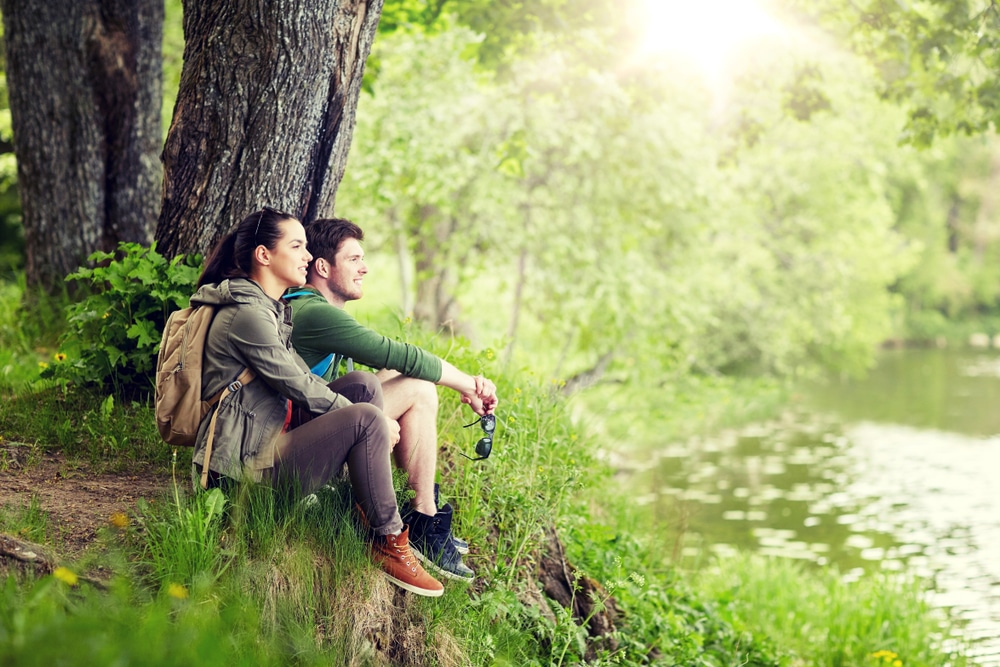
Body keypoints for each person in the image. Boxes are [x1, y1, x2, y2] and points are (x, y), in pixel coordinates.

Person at [190, 206, 443, 597]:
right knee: (364, 418)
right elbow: (298, 384)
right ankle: (390, 539)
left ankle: (364, 504)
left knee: (362, 386)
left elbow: (306, 379)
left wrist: (363, 410)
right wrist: (374, 422)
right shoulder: (248, 315)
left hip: (264, 443)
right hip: (243, 476)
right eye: (297, 246)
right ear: (264, 255)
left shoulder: (269, 309)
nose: (308, 257)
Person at [286, 217, 499, 582]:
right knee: (418, 386)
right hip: (295, 448)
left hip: (305, 427)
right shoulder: (314, 313)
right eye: (354, 259)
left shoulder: (308, 307)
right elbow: (397, 353)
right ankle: (423, 519)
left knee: (401, 381)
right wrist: (468, 385)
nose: (364, 267)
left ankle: (420, 514)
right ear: (323, 267)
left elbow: (393, 365)